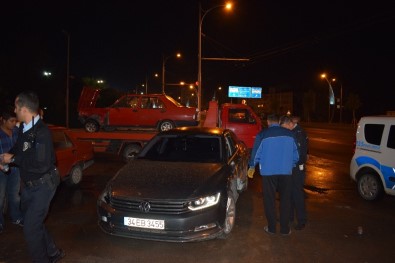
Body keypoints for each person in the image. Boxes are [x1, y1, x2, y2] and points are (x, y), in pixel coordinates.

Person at [0, 91, 65, 262]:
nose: (14, 110)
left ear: (23, 109)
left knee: (30, 229)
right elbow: (19, 148)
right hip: (28, 185)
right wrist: (6, 158)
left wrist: (13, 159)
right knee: (34, 223)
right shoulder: (23, 127)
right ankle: (52, 252)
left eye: (16, 106)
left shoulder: (42, 132)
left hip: (43, 186)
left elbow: (41, 164)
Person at [253, 114, 299, 236]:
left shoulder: (263, 134)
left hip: (268, 173)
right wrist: (291, 164)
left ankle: (272, 228)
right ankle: (284, 229)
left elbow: (256, 153)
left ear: (268, 122)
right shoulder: (290, 134)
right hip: (286, 172)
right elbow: (296, 155)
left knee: (269, 200)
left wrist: (252, 165)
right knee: (285, 200)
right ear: (278, 122)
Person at [281, 115, 309, 230]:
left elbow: (302, 155)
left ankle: (301, 220)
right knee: (289, 193)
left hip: (297, 169)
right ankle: (290, 217)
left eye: (284, 127)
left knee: (297, 194)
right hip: (291, 168)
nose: (284, 129)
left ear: (290, 124)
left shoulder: (298, 133)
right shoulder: (293, 132)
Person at [0, 107, 24, 234]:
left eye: (15, 121)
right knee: (0, 197)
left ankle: (16, 217)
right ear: (2, 120)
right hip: (0, 171)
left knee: (15, 196)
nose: (14, 124)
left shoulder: (16, 131)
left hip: (15, 169)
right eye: (11, 121)